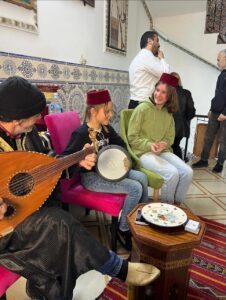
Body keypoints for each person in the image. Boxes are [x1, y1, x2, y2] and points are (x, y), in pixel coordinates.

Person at [0, 76, 160, 300]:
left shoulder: (28, 134)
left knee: (59, 235)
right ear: (17, 119)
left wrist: (75, 162)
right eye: (35, 116)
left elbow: (48, 166)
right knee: (60, 224)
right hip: (6, 229)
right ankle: (117, 268)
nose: (39, 119)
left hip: (32, 212)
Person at [62, 89, 149, 251]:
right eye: (107, 111)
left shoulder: (106, 129)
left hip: (111, 170)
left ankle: (138, 221)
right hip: (93, 178)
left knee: (142, 178)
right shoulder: (81, 134)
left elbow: (121, 144)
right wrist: (80, 161)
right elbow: (65, 159)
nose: (110, 115)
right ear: (93, 112)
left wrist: (125, 160)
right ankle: (123, 229)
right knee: (135, 187)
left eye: (110, 111)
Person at [127, 73, 193, 205]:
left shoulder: (168, 113)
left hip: (162, 152)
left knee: (187, 172)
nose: (158, 95)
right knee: (172, 173)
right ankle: (166, 209)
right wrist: (149, 145)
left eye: (164, 93)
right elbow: (132, 137)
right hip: (143, 152)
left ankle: (176, 205)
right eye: (157, 90)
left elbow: (170, 137)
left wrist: (164, 144)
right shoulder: (142, 109)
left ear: (170, 96)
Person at [192, 49, 226, 173]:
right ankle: (203, 160)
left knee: (223, 140)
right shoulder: (221, 74)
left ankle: (220, 164)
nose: (217, 62)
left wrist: (225, 113)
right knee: (208, 137)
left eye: (218, 59)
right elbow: (217, 95)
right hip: (215, 112)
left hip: (224, 114)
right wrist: (211, 109)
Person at [128, 30, 170, 109]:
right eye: (157, 40)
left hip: (135, 102)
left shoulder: (139, 57)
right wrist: (162, 58)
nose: (159, 45)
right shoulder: (146, 57)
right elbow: (166, 76)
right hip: (143, 104)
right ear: (149, 41)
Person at [171, 72, 196, 159]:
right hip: (181, 128)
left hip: (167, 126)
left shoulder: (166, 93)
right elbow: (191, 112)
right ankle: (180, 167)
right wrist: (185, 119)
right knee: (176, 146)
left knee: (170, 147)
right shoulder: (186, 93)